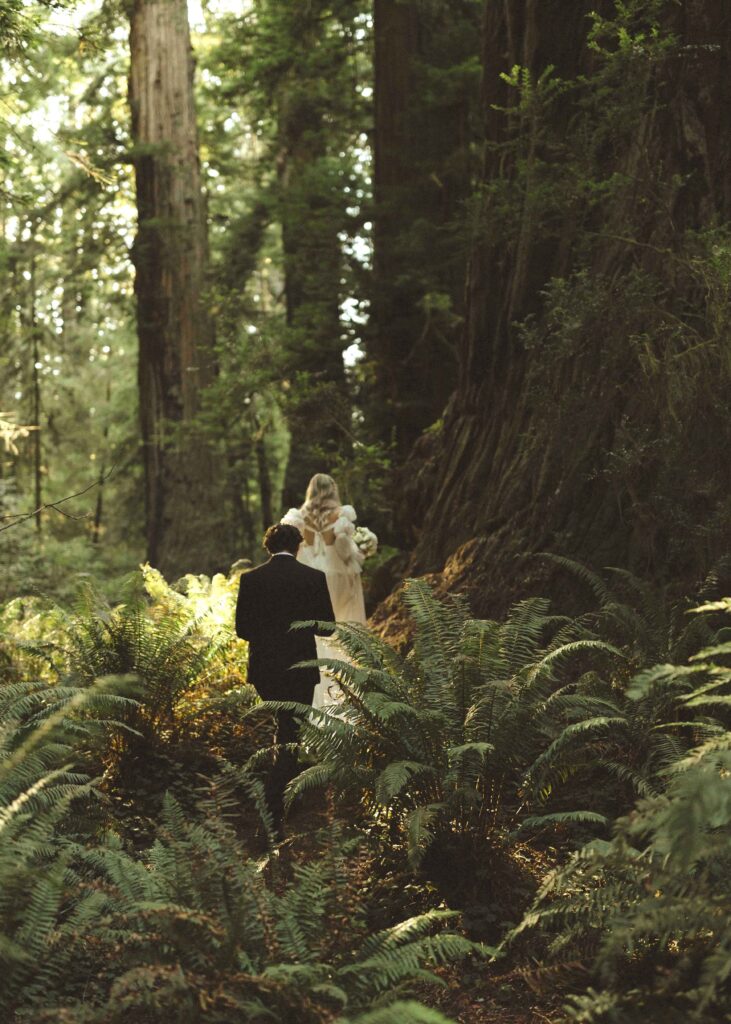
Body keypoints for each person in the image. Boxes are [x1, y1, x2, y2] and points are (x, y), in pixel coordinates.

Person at [235, 522, 335, 838]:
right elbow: (327, 628)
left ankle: (277, 799)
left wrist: (269, 632)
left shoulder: (251, 579)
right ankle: (277, 805)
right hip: (300, 667)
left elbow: (243, 630)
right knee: (291, 730)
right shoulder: (313, 578)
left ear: (268, 546)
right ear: (297, 546)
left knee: (283, 727)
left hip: (265, 670)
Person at [281, 473, 366, 708]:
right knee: (339, 624)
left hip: (308, 573)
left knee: (313, 628)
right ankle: (342, 684)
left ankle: (314, 685)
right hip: (337, 573)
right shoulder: (341, 514)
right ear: (332, 490)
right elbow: (345, 549)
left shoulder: (299, 516)